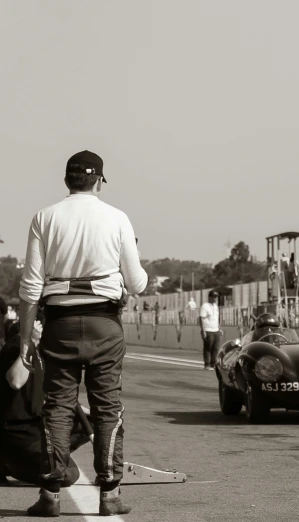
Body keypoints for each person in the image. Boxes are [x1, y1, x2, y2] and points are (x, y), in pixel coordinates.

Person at [16, 150, 147, 516]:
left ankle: (50, 495)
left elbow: (30, 288)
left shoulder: (44, 217)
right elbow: (136, 284)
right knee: (108, 409)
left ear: (66, 180)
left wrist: (26, 339)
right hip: (105, 324)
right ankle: (111, 494)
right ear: (99, 181)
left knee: (56, 407)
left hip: (59, 324)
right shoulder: (117, 218)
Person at [1, 318, 90, 488]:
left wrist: (92, 413)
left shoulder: (44, 354)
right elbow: (16, 381)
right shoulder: (13, 349)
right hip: (18, 432)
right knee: (68, 475)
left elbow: (56, 395)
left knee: (94, 422)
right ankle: (8, 464)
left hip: (39, 427)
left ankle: (51, 458)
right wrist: (30, 342)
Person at [199, 290, 222, 370]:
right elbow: (201, 318)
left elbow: (217, 318)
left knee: (216, 348)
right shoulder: (205, 306)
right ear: (210, 297)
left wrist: (219, 328)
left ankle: (213, 364)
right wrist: (203, 330)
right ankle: (207, 364)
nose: (215, 298)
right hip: (208, 330)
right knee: (208, 347)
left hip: (215, 330)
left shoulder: (215, 307)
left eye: (216, 297)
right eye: (214, 297)